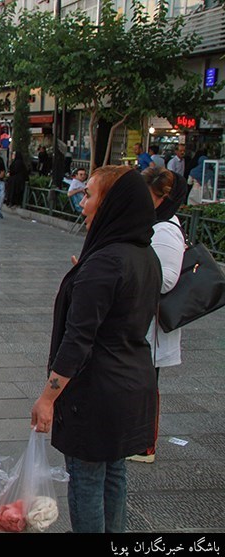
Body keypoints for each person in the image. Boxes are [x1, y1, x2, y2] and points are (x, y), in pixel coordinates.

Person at [31, 165, 161, 533]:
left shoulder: (105, 262)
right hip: (131, 384)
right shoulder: (142, 255)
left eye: (89, 195)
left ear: (112, 204)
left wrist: (47, 398)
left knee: (87, 479)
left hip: (97, 393)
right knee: (114, 473)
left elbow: (78, 341)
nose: (82, 202)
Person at [126, 167, 186, 465]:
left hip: (151, 321)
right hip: (141, 317)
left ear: (163, 197)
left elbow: (167, 278)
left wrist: (128, 275)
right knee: (139, 380)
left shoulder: (165, 229)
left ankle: (144, 445)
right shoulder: (153, 222)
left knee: (146, 383)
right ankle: (135, 438)